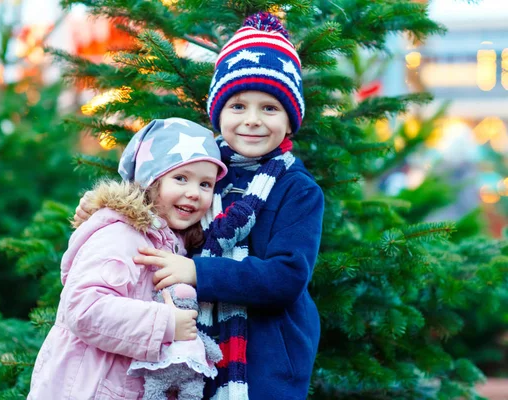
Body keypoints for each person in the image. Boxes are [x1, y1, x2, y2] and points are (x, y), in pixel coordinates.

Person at [75, 12, 324, 400]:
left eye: (270, 108)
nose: (253, 121)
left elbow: (286, 277)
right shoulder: (204, 171)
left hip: (267, 358)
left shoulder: (298, 190)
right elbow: (154, 207)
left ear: (291, 120)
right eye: (238, 106)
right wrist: (104, 208)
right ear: (218, 113)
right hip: (195, 342)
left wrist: (196, 271)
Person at [28, 118, 228, 400]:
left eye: (205, 184)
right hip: (88, 388)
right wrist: (166, 325)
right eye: (180, 178)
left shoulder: (173, 244)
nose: (194, 192)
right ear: (151, 180)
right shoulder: (122, 235)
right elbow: (84, 308)